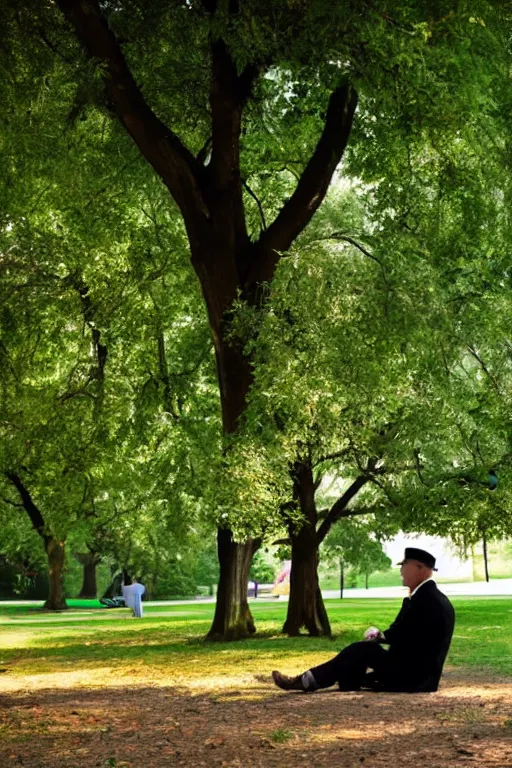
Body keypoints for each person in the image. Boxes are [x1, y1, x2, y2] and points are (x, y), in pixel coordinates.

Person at [272, 547, 455, 694]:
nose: (400, 570)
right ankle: (345, 683)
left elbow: (405, 636)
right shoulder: (428, 597)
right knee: (361, 653)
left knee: (364, 649)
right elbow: (407, 632)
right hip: (419, 674)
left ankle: (305, 681)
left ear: (419, 567)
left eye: (404, 564)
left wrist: (381, 637)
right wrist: (381, 635)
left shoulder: (427, 601)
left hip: (414, 678)